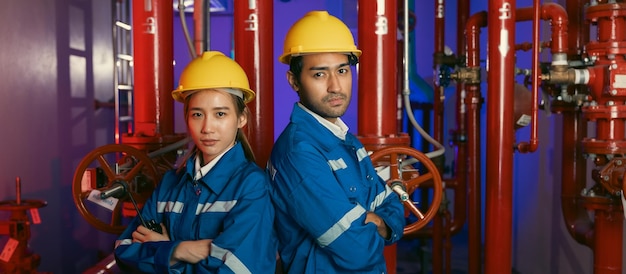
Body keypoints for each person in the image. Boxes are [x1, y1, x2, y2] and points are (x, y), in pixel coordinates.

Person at [267, 10, 406, 273]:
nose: (335, 86)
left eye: (342, 70)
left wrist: (382, 222)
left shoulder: (347, 141)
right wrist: (375, 222)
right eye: (319, 74)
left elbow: (391, 205)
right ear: (294, 81)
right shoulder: (299, 154)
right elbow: (356, 250)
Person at [114, 51, 277, 273]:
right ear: (187, 118)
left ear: (241, 119)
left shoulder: (252, 187)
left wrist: (164, 251)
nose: (207, 128)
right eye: (198, 115)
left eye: (220, 114)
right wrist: (181, 250)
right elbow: (123, 251)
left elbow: (236, 269)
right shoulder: (170, 184)